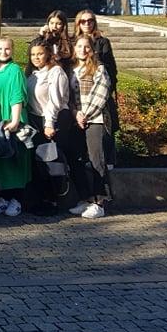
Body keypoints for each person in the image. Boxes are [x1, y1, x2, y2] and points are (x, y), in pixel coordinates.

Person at [0, 37, 32, 217]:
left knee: (14, 159)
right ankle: (3, 198)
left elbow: (17, 95)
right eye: (0, 49)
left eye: (7, 49)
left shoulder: (15, 70)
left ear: (12, 50)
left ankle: (16, 200)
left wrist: (15, 120)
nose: (3, 52)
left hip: (10, 119)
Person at [68, 35, 113, 219]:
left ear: (92, 50)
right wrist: (75, 113)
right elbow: (68, 96)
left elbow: (101, 94)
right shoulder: (71, 70)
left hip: (94, 120)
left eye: (86, 47)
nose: (83, 50)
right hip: (76, 119)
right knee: (75, 159)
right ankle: (86, 198)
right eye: (79, 46)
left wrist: (85, 115)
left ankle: (99, 202)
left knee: (96, 160)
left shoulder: (99, 69)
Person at [25, 42, 71, 216]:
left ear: (48, 54)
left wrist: (49, 123)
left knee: (50, 162)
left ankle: (53, 200)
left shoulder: (56, 72)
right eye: (33, 54)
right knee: (38, 163)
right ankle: (41, 199)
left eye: (40, 54)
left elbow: (55, 100)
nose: (36, 57)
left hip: (51, 120)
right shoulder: (32, 74)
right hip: (35, 121)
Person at [73, 9, 119, 169]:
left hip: (98, 98)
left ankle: (108, 163)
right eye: (83, 21)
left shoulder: (102, 42)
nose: (87, 24)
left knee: (100, 146)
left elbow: (110, 69)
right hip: (77, 106)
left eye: (90, 20)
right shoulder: (73, 41)